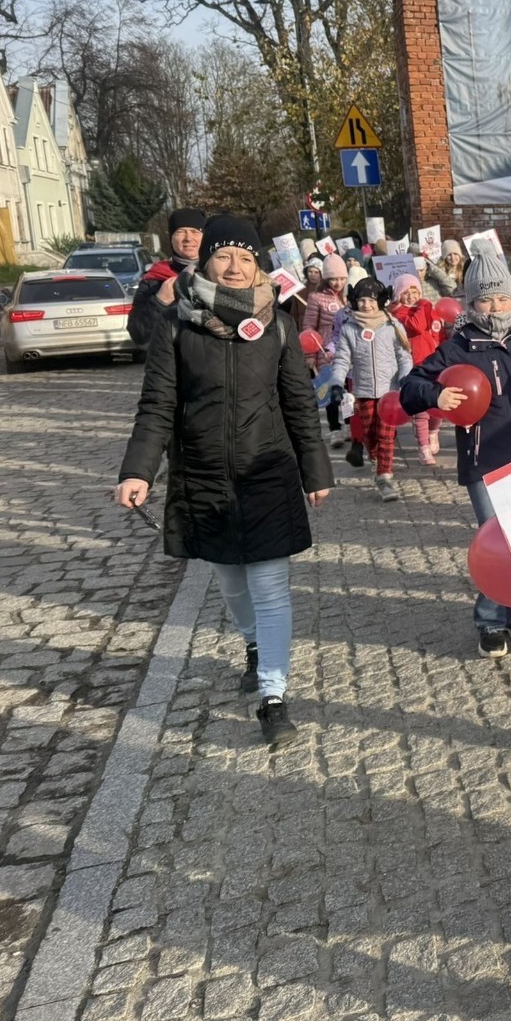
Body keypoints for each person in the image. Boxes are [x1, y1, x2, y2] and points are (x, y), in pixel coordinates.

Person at [114, 215, 333, 748]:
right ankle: (254, 645)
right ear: (205, 260)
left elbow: (299, 403)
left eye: (245, 257)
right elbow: (157, 406)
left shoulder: (277, 325)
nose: (234, 267)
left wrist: (315, 469)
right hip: (204, 475)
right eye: (223, 256)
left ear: (259, 263)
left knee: (271, 586)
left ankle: (274, 695)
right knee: (231, 580)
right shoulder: (176, 324)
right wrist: (139, 470)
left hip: (268, 471)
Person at [400, 254, 511, 659]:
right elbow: (410, 386)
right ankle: (489, 619)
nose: (494, 307)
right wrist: (436, 394)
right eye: (484, 300)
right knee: (498, 542)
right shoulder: (458, 349)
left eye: (500, 298)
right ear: (469, 303)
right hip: (484, 464)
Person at [332, 277, 414, 502]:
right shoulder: (349, 328)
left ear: (380, 301)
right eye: (361, 300)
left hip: (390, 391)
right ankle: (377, 457)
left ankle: (384, 478)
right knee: (369, 435)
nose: (366, 305)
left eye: (371, 300)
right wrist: (337, 383)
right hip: (364, 391)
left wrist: (406, 378)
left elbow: (404, 356)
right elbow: (341, 359)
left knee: (386, 435)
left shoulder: (393, 325)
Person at [128, 207, 205, 347]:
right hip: (173, 363)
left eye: (195, 232)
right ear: (171, 237)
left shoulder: (219, 276)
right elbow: (138, 334)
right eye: (181, 232)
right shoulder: (154, 280)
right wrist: (159, 301)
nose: (188, 238)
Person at [390, 274, 446, 466]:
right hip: (415, 365)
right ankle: (423, 448)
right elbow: (417, 326)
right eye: (406, 292)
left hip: (435, 362)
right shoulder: (399, 314)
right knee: (421, 410)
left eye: (415, 291)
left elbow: (438, 330)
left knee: (438, 404)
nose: (412, 296)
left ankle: (433, 432)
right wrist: (423, 306)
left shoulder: (426, 309)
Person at [304, 254, 351, 448]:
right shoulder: (316, 297)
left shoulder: (350, 297)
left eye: (341, 278)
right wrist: (310, 354)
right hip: (325, 349)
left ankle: (349, 425)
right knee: (332, 390)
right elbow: (308, 327)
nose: (338, 283)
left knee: (348, 390)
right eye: (334, 278)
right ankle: (334, 429)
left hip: (348, 347)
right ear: (326, 278)